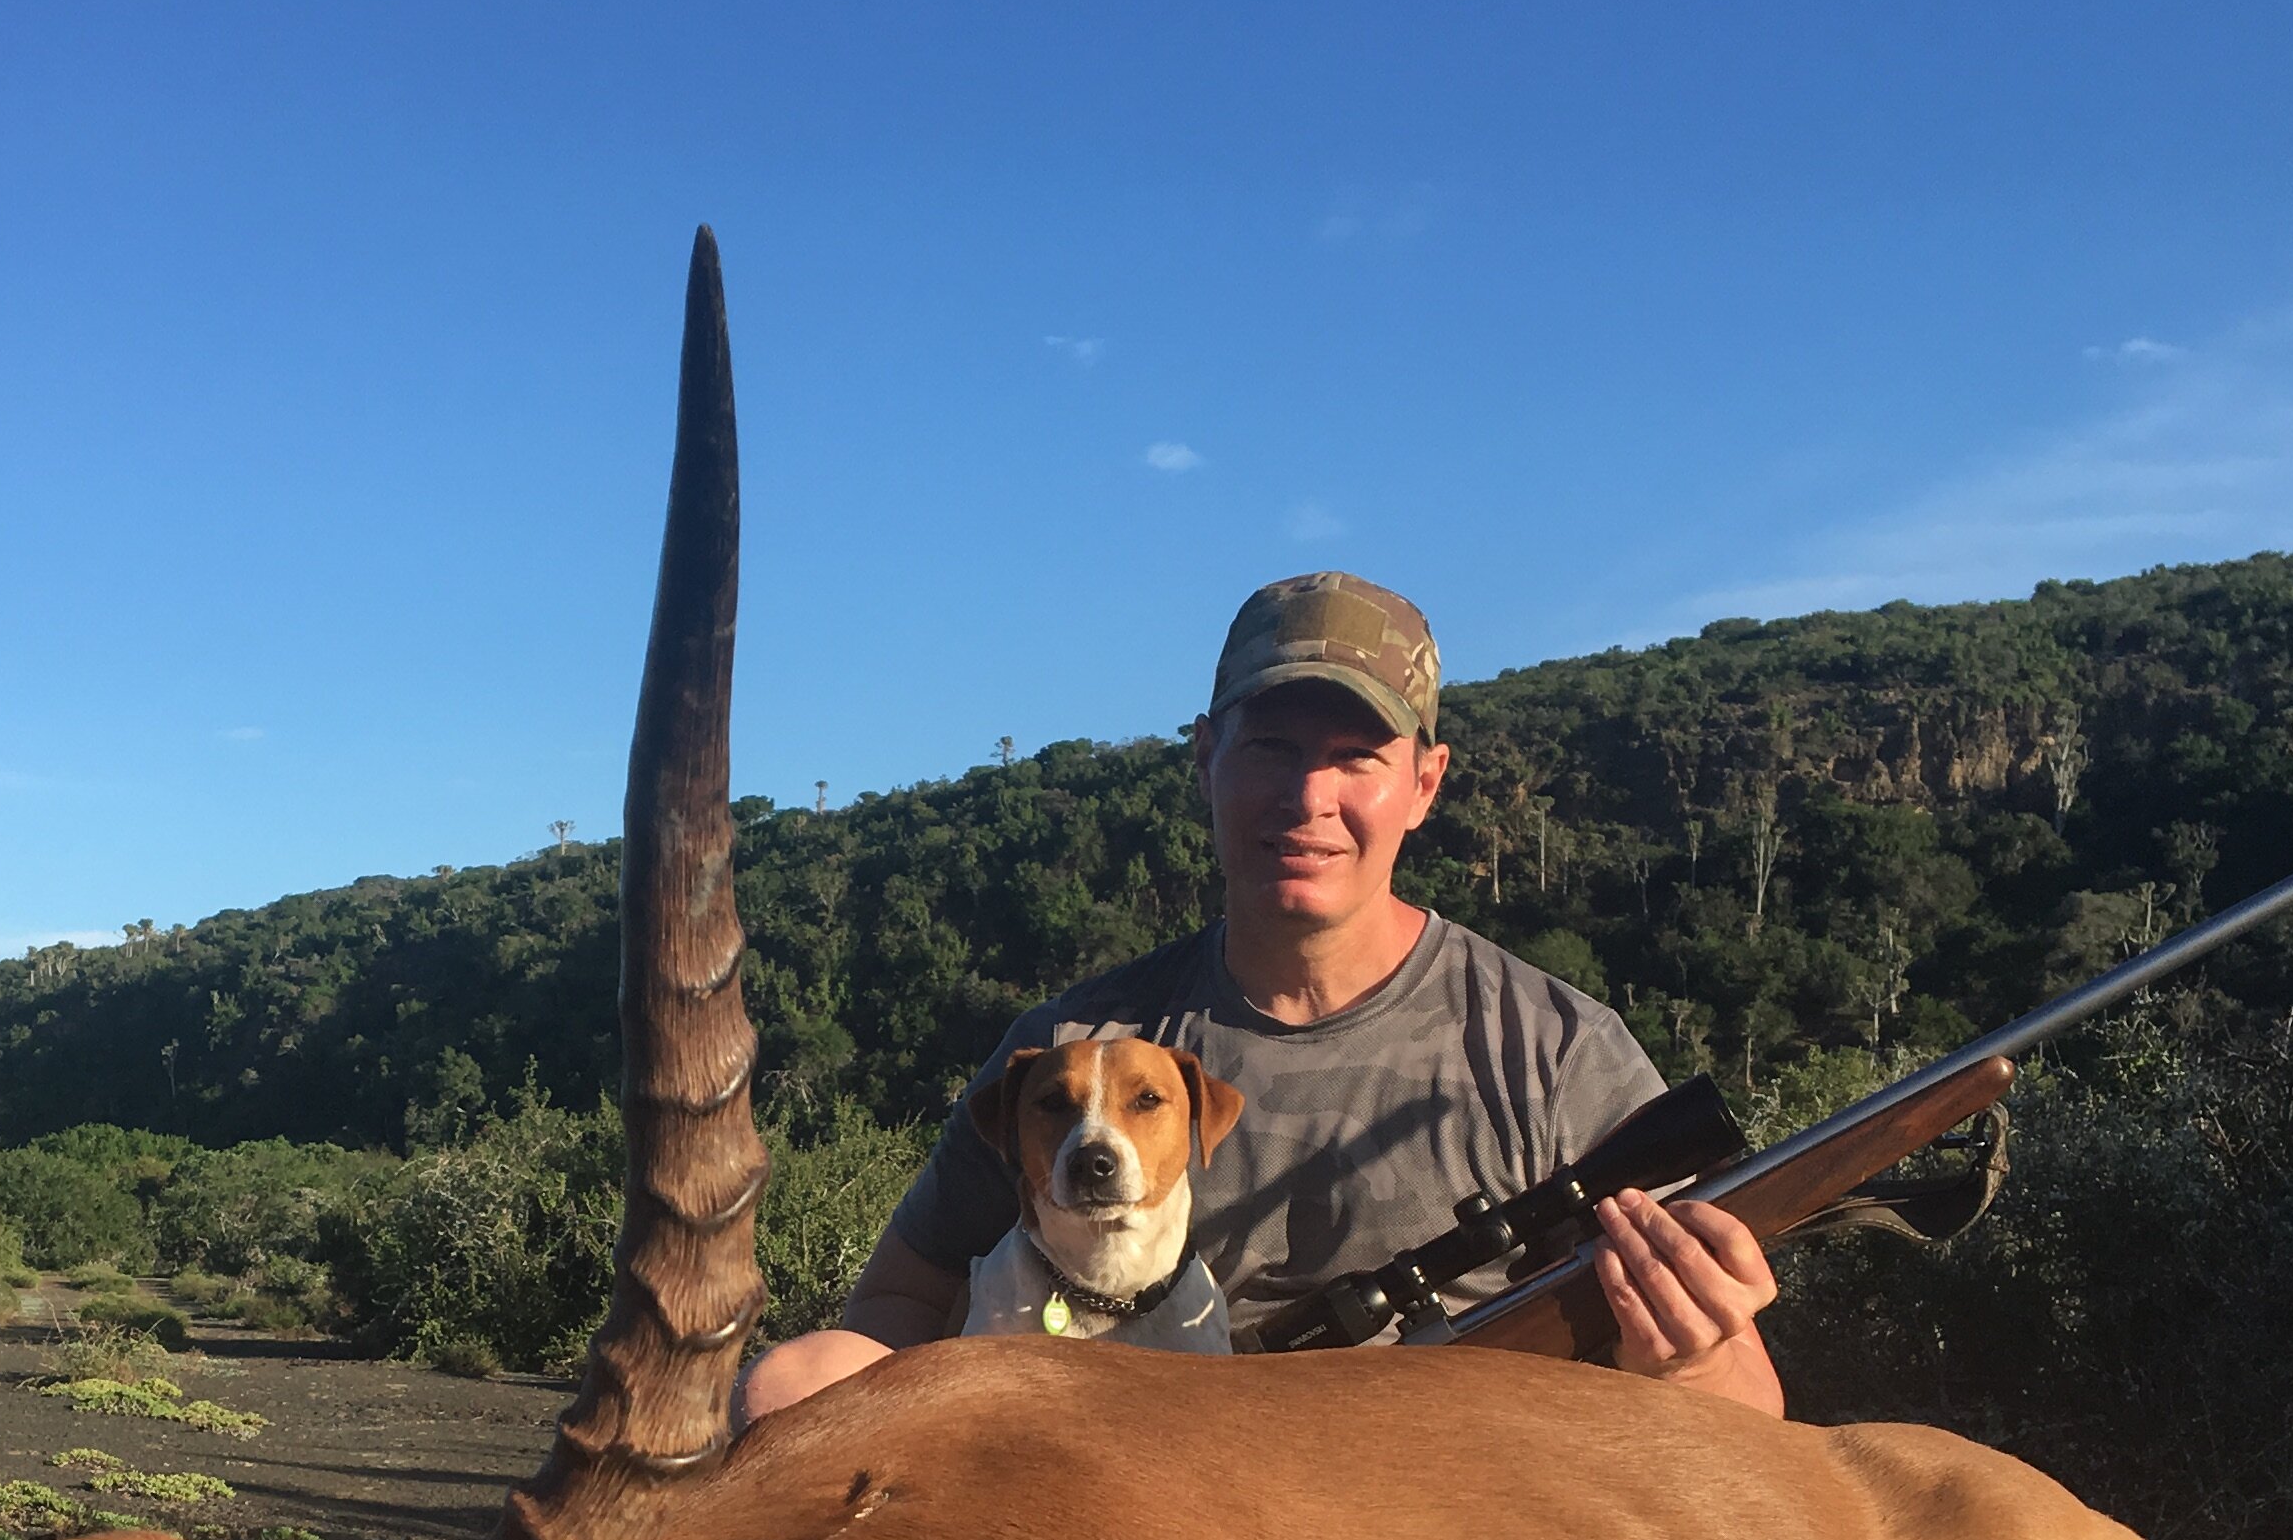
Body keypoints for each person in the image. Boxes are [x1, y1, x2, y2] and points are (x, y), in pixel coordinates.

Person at [740, 572, 1785, 1420]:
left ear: (1425, 784)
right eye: (1270, 751)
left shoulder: (1555, 1055)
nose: (1306, 799)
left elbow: (1750, 1403)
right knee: (796, 1383)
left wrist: (1692, 1360)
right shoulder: (1070, 1057)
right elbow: (896, 1302)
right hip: (1113, 1521)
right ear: (1206, 761)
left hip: (1452, 1529)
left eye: (1356, 759)